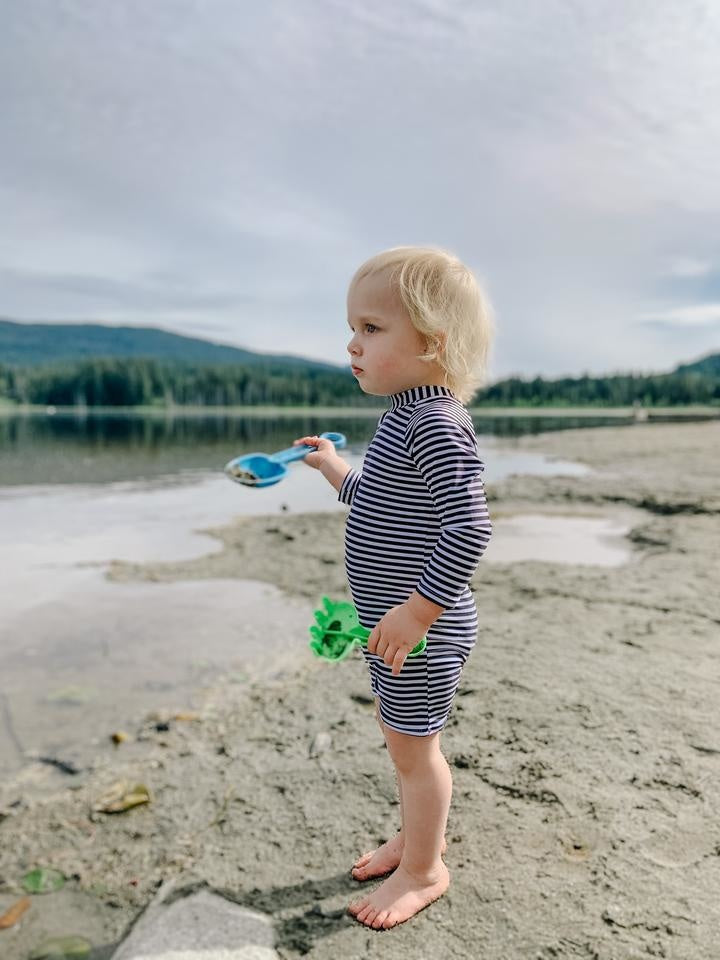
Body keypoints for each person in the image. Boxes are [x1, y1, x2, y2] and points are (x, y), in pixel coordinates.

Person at [293, 245, 494, 930]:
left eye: (372, 329)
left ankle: (423, 870)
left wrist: (417, 611)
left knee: (416, 748)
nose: (352, 343)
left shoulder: (436, 424)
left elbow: (469, 530)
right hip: (395, 626)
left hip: (419, 629)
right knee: (401, 737)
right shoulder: (405, 416)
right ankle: (416, 839)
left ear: (432, 342)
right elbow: (381, 503)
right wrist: (332, 468)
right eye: (353, 327)